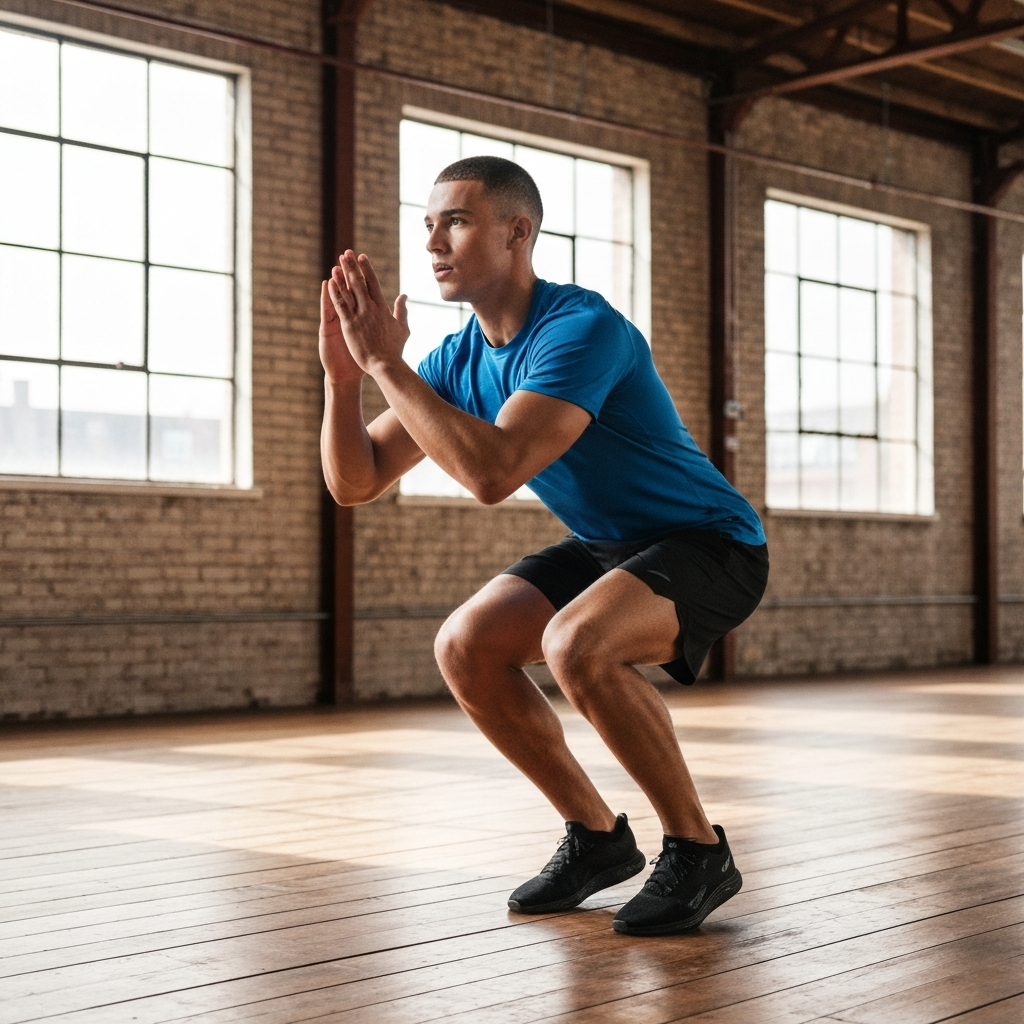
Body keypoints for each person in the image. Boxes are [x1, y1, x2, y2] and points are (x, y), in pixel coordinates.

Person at [318, 156, 768, 936]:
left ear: (518, 231)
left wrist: (387, 362)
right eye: (428, 224)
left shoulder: (581, 328)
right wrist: (344, 381)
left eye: (456, 221)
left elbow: (492, 471)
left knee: (578, 646)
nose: (434, 242)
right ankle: (596, 838)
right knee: (466, 646)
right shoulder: (458, 357)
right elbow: (354, 483)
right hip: (608, 544)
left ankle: (698, 851)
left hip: (712, 541)